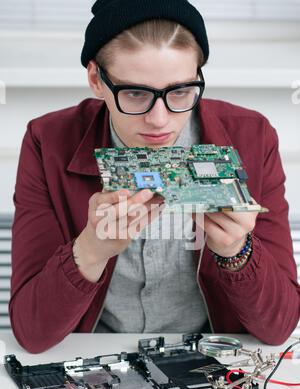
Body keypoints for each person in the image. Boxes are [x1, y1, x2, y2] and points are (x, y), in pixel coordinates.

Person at [10, 0, 299, 353]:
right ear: (96, 80)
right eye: (135, 93)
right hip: (94, 356)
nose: (160, 119)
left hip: (208, 359)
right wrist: (89, 251)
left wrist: (237, 253)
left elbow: (280, 327)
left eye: (180, 92)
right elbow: (31, 333)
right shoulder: (48, 140)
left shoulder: (252, 137)